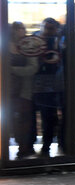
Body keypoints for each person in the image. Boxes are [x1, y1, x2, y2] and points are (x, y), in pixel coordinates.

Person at [32, 18, 64, 157]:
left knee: (50, 117)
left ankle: (47, 145)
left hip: (55, 84)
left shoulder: (59, 42)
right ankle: (38, 146)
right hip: (38, 84)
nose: (48, 31)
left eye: (51, 29)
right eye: (46, 28)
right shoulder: (35, 40)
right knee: (41, 116)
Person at [9, 21, 39, 159]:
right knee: (13, 119)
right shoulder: (6, 45)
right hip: (9, 90)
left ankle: (24, 147)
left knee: (24, 119)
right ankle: (20, 145)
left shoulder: (28, 46)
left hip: (24, 89)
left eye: (22, 28)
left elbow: (33, 68)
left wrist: (12, 70)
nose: (21, 31)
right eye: (18, 29)